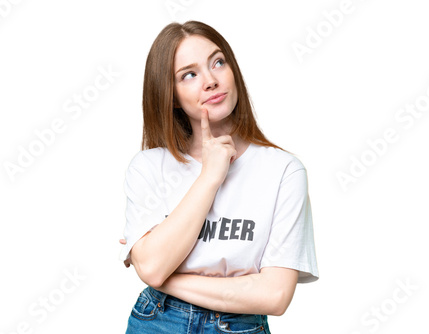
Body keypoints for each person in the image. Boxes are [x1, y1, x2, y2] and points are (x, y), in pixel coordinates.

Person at [119, 20, 319, 333]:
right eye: (189, 74)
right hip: (158, 320)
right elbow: (153, 267)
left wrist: (162, 275)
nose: (211, 81)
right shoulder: (148, 167)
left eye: (218, 62)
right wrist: (210, 176)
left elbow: (275, 295)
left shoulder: (283, 171)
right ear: (171, 95)